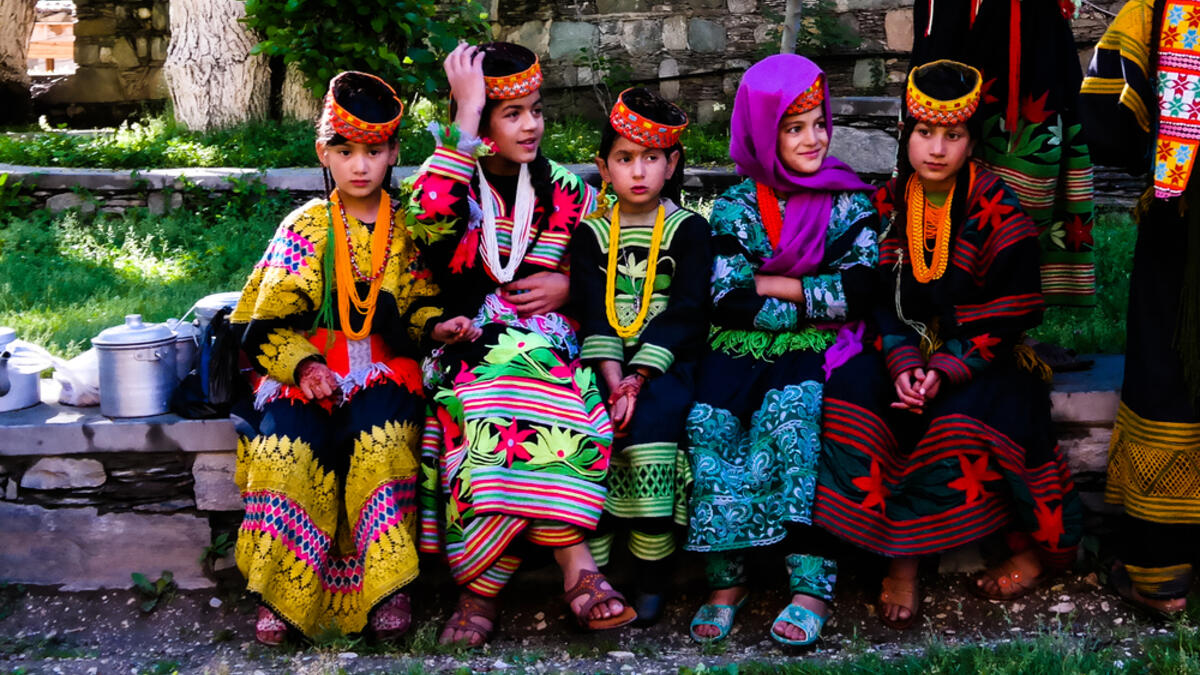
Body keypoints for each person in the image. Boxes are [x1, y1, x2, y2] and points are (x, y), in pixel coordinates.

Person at [813, 60, 1082, 630]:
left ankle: (1037, 552)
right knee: (851, 401)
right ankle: (900, 557)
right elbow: (879, 299)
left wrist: (947, 367)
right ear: (906, 135)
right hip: (900, 351)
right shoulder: (886, 205)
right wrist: (907, 363)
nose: (937, 149)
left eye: (953, 136)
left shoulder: (998, 207)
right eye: (924, 133)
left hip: (985, 354)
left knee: (966, 420)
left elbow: (1014, 309)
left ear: (970, 140)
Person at [230, 71, 478, 645]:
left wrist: (439, 325)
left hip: (386, 371)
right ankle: (279, 593)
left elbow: (417, 311)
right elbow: (261, 324)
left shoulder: (409, 226)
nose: (359, 165)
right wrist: (306, 368)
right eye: (344, 151)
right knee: (286, 449)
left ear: (393, 153)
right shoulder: (305, 227)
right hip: (304, 372)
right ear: (324, 153)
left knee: (383, 444)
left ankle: (388, 589)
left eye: (373, 151)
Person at [408, 42, 634, 647]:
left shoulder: (571, 192)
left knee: (553, 392)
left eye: (536, 110)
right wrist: (463, 115)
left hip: (555, 350)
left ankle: (479, 591)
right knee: (495, 399)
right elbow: (429, 222)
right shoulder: (450, 177)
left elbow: (613, 269)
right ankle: (579, 570)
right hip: (469, 346)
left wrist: (570, 285)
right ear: (478, 122)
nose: (532, 124)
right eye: (511, 113)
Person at [683, 54, 880, 646]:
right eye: (794, 128)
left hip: (822, 350)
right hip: (738, 348)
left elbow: (863, 290)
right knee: (710, 422)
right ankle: (727, 580)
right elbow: (724, 295)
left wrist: (772, 286)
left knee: (797, 419)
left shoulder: (849, 199)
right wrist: (814, 295)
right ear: (763, 133)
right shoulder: (735, 206)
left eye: (819, 123)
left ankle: (810, 584)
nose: (814, 139)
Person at [570, 87, 712, 626]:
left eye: (651, 158)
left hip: (666, 363)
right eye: (624, 159)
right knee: (590, 430)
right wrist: (612, 382)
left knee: (652, 428)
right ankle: (600, 575)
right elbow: (593, 310)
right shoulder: (592, 235)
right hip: (602, 363)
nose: (637, 172)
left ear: (671, 163)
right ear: (603, 167)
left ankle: (653, 580)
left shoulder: (689, 230)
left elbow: (689, 308)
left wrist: (637, 379)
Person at [1081, 0, 1200, 618]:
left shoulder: (1166, 9)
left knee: (1168, 377)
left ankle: (1161, 578)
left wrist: (1164, 150)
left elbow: (1103, 110)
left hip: (1181, 233)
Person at [910, 0, 1098, 311]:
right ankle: (934, 310)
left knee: (1034, 169)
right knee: (939, 135)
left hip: (1028, 29)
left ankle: (1013, 320)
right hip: (955, 20)